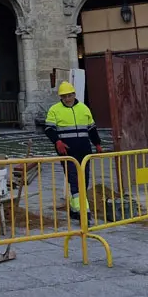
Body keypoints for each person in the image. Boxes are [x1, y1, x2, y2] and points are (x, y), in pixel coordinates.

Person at [43, 81, 103, 220]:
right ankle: (84, 211)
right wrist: (57, 141)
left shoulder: (84, 108)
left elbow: (91, 128)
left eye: (69, 95)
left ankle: (75, 209)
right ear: (61, 97)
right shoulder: (54, 109)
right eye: (64, 96)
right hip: (67, 151)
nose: (67, 98)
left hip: (84, 150)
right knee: (74, 180)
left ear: (74, 94)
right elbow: (49, 129)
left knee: (84, 179)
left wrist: (97, 144)